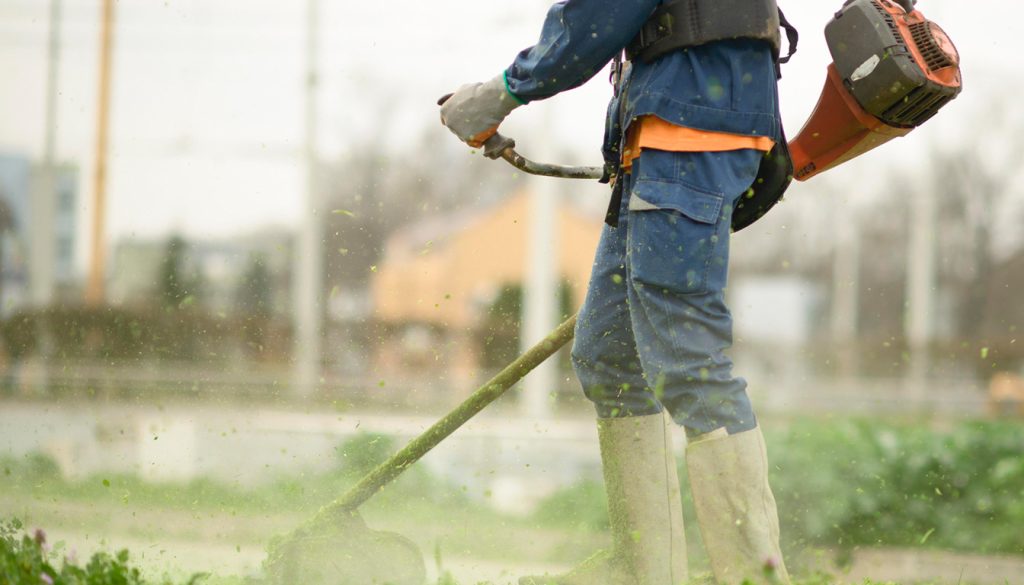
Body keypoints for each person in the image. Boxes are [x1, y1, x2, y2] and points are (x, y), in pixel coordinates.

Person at [440, 1, 791, 583]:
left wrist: (502, 91)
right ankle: (652, 572)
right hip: (663, 144)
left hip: (689, 142)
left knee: (690, 365)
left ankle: (756, 575)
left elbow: (597, 17)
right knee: (609, 356)